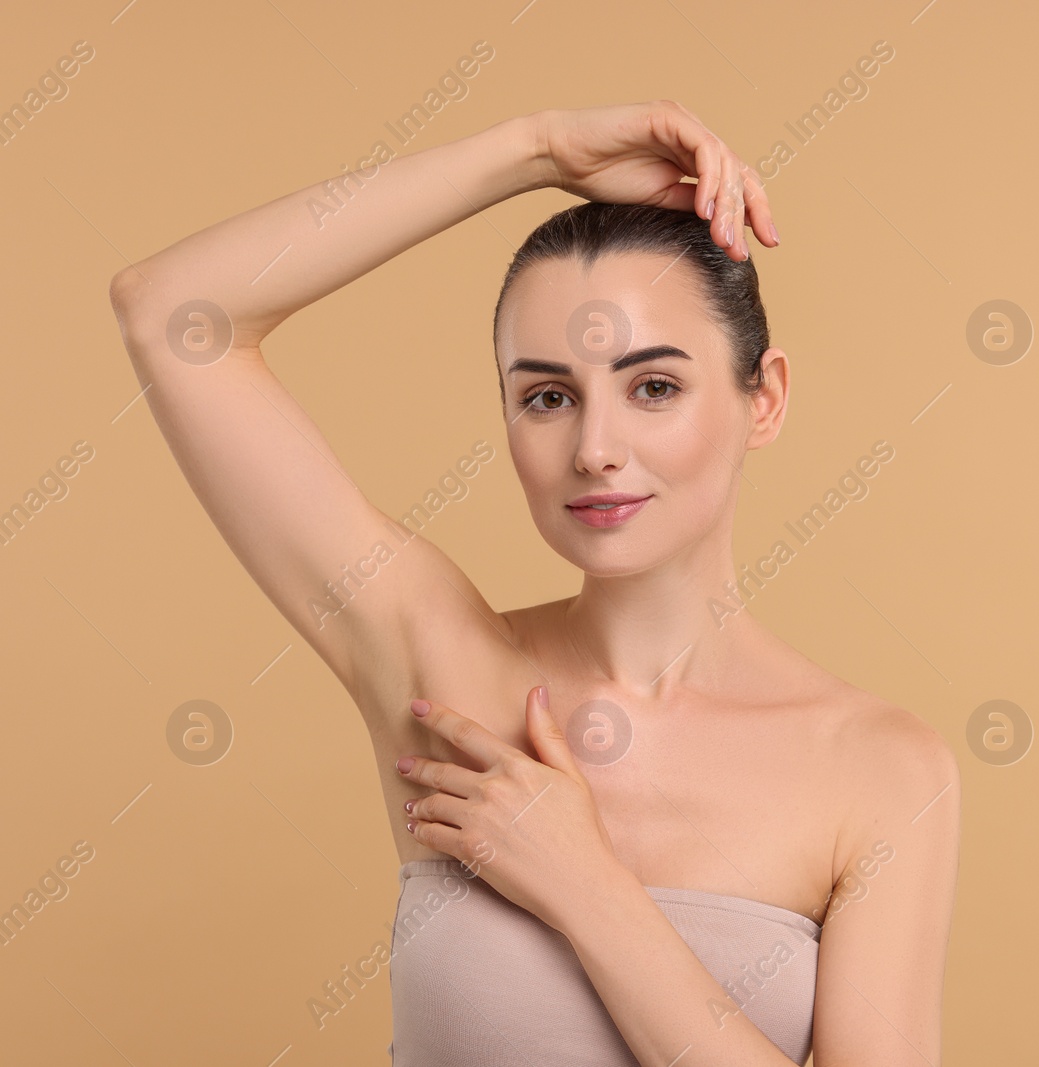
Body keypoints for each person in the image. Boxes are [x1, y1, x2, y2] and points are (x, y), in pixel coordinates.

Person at [108, 100, 960, 1066]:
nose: (596, 449)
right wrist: (534, 151)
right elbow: (173, 313)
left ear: (761, 399)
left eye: (654, 387)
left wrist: (587, 885)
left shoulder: (881, 770)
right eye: (547, 396)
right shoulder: (443, 670)